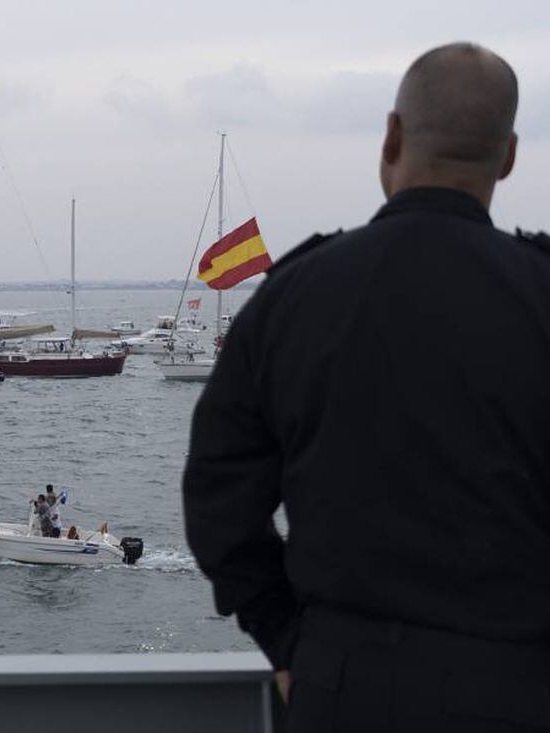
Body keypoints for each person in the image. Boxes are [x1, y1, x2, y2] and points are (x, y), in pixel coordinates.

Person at [182, 43, 541, 729]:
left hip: (344, 686)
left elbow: (217, 498)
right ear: (510, 156)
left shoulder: (293, 298)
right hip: (523, 688)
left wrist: (289, 639)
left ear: (392, 137)